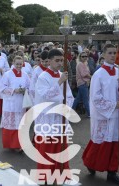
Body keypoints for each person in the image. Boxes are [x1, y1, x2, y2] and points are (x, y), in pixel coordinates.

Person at [82, 44, 119, 185]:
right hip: (104, 115)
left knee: (114, 143)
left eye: (115, 53)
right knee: (101, 143)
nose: (113, 55)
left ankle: (112, 172)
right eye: (110, 53)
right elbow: (95, 97)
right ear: (103, 55)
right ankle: (90, 163)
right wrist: (113, 105)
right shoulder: (98, 74)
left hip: (117, 114)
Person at [34, 49, 75, 184]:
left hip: (60, 117)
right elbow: (43, 97)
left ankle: (61, 175)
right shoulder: (43, 77)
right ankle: (46, 177)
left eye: (61, 60)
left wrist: (65, 106)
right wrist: (58, 83)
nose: (59, 63)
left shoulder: (62, 75)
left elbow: (69, 95)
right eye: (56, 60)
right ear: (49, 61)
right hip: (48, 119)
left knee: (60, 147)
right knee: (48, 148)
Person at [0, 56, 30, 152]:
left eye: (20, 64)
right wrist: (14, 90)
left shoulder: (25, 75)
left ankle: (18, 145)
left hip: (21, 104)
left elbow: (30, 87)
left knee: (20, 125)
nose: (19, 66)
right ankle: (10, 144)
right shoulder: (7, 74)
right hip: (10, 104)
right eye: (17, 64)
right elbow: (2, 88)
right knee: (11, 125)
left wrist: (25, 90)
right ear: (13, 63)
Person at [72, 52, 91, 117]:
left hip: (83, 83)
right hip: (83, 83)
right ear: (80, 57)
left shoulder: (84, 64)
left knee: (77, 99)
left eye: (85, 56)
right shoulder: (80, 64)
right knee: (86, 99)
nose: (85, 57)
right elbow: (83, 74)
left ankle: (70, 111)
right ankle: (89, 114)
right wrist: (90, 76)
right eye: (83, 56)